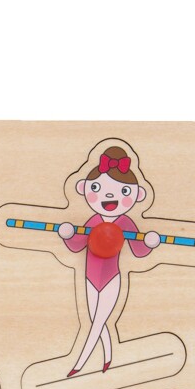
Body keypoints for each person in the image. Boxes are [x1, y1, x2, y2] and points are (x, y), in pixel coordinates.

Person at [59, 146, 160, 376]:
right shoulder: (93, 220)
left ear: (138, 195)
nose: (109, 196)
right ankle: (108, 358)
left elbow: (139, 250)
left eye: (124, 191)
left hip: (111, 279)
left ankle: (78, 365)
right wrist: (67, 234)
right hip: (90, 277)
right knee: (98, 319)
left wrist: (151, 242)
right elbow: (77, 245)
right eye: (97, 188)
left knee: (97, 322)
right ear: (83, 188)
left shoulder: (125, 223)